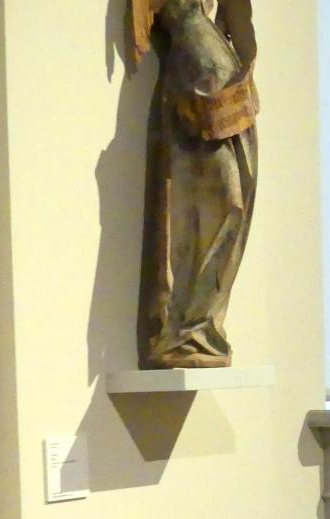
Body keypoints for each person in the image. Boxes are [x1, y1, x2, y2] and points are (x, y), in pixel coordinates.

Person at [132, 0, 258, 368]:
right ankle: (187, 328)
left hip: (214, 61)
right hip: (196, 64)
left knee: (235, 198)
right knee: (222, 202)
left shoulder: (206, 25)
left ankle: (200, 325)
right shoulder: (184, 28)